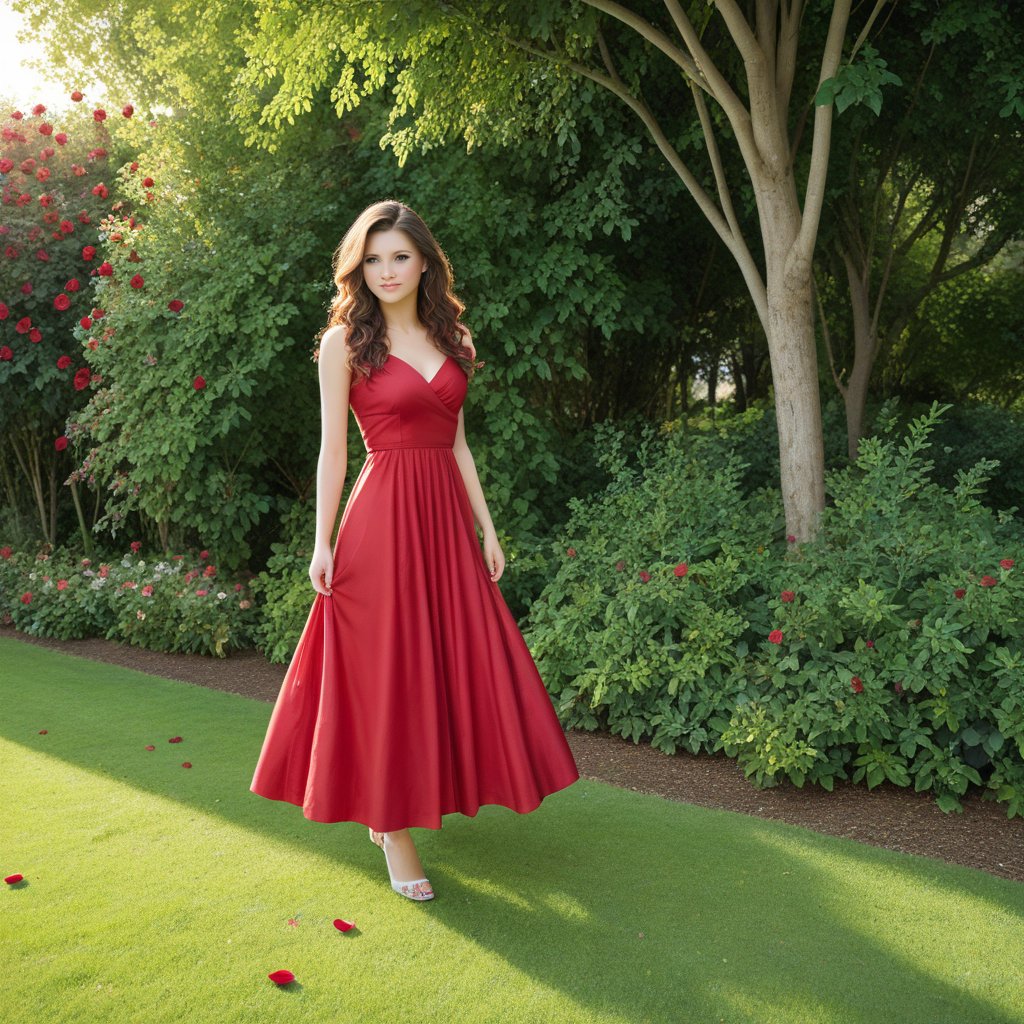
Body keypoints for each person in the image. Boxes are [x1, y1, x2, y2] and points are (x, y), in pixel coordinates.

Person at [249, 199, 580, 902]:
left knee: (446, 664)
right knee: (384, 674)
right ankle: (392, 828)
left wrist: (487, 527)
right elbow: (333, 450)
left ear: (425, 261)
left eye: (399, 256)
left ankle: (407, 807)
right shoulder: (344, 343)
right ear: (357, 268)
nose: (386, 271)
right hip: (381, 522)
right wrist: (321, 539)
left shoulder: (451, 334)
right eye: (372, 259)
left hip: (444, 525)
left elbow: (456, 440)